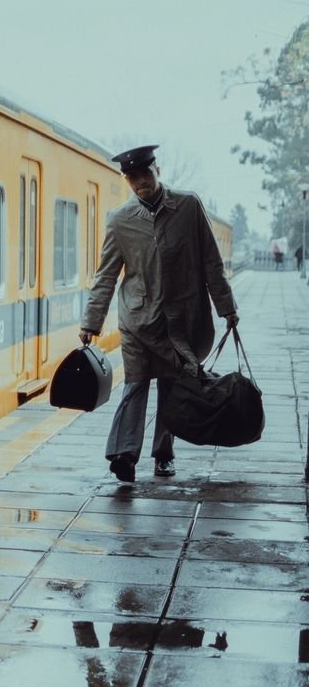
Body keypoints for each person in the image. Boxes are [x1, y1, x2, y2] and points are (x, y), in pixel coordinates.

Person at [79, 145, 239, 481]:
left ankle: (163, 454)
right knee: (135, 384)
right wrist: (91, 323)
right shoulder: (120, 220)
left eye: (145, 174)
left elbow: (212, 262)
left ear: (158, 170)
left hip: (181, 322)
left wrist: (227, 309)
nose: (140, 182)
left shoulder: (189, 206)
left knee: (171, 387)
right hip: (138, 321)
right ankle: (124, 454)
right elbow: (106, 275)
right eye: (132, 177)